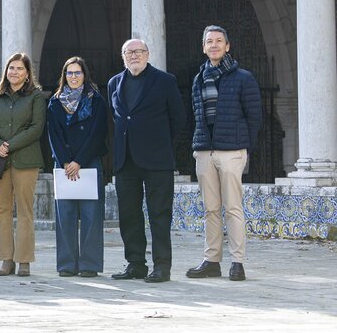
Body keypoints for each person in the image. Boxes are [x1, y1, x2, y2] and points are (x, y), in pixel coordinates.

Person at [186, 25, 262, 282]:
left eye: (219, 41)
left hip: (232, 151)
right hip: (205, 151)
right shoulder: (198, 79)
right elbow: (196, 116)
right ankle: (212, 260)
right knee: (210, 209)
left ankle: (237, 262)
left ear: (227, 46)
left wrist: (243, 146)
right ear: (204, 47)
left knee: (233, 208)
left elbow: (254, 117)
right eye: (210, 42)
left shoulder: (243, 77)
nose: (215, 45)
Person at [107, 39, 184, 284]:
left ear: (148, 54)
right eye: (129, 52)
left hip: (157, 159)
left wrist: (159, 142)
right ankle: (135, 264)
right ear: (123, 56)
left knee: (159, 214)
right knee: (129, 215)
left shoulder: (164, 81)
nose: (134, 56)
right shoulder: (114, 83)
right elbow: (117, 117)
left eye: (139, 51)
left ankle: (162, 266)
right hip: (125, 160)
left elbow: (179, 119)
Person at [0, 52, 47, 277]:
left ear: (28, 73)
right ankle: (6, 259)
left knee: (24, 210)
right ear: (6, 71)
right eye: (11, 68)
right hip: (0, 161)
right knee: (2, 210)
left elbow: (36, 128)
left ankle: (24, 261)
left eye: (20, 69)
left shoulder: (36, 97)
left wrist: (9, 145)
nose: (15, 72)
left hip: (25, 160)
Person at [47, 56, 108, 278]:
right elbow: (53, 134)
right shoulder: (55, 101)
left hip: (88, 162)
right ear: (64, 76)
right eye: (69, 73)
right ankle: (66, 264)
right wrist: (65, 161)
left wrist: (79, 161)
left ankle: (89, 265)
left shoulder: (96, 100)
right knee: (65, 215)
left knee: (92, 216)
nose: (73, 77)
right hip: (64, 165)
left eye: (77, 73)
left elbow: (98, 133)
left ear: (85, 75)